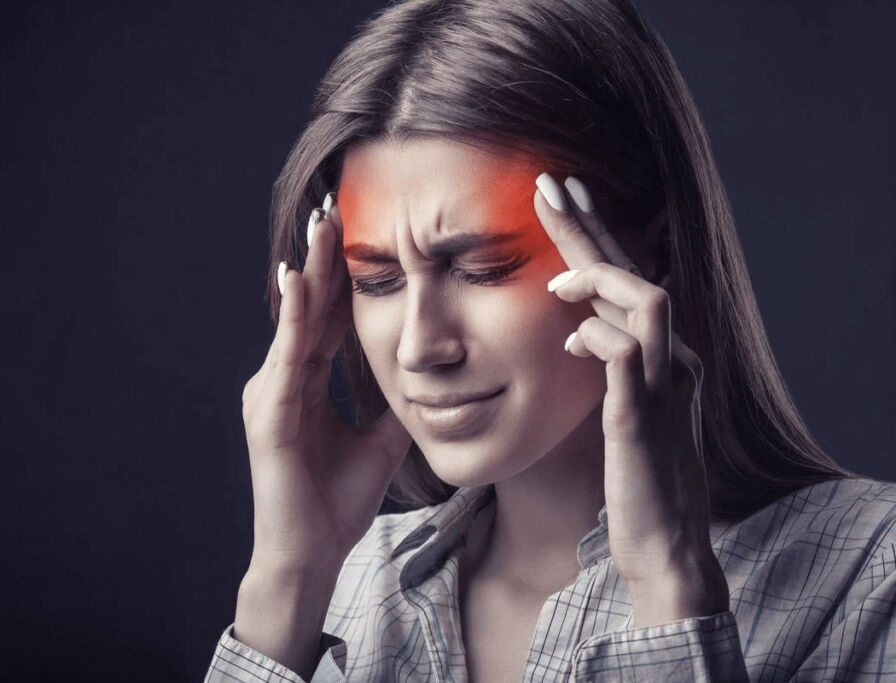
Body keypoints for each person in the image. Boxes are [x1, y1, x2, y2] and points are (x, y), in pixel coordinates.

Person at [205, 0, 896, 680]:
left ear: (651, 251)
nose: (420, 347)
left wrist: (669, 578)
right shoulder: (348, 589)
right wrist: (287, 586)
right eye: (376, 279)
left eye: (484, 268)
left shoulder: (869, 573)